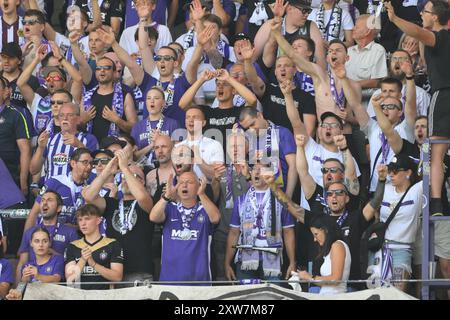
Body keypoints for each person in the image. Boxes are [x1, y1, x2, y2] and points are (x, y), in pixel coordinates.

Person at [385, 0, 450, 216]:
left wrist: (394, 19)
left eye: (425, 11)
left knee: (436, 154)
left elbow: (418, 32)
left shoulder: (440, 36)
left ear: (436, 17)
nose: (421, 13)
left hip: (444, 95)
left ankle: (437, 204)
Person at [82, 149, 154, 284]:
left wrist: (125, 168)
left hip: (139, 272)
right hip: (112, 271)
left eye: (135, 176)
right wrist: (107, 171)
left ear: (143, 182)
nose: (127, 179)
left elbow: (142, 196)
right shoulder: (112, 203)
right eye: (124, 177)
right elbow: (88, 196)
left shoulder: (148, 202)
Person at [224, 162, 296, 282]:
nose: (256, 172)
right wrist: (227, 263)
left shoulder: (281, 199)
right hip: (246, 261)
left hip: (273, 260)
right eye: (254, 169)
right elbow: (234, 232)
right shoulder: (241, 200)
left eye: (261, 170)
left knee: (272, 298)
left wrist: (292, 261)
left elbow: (288, 231)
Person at [363, 155, 423, 292]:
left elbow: (430, 174)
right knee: (375, 292)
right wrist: (382, 179)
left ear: (408, 173)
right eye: (390, 170)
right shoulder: (386, 188)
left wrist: (425, 150)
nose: (392, 174)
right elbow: (374, 203)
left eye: (396, 171)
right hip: (378, 248)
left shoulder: (417, 190)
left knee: (397, 293)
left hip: (401, 249)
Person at [150, 171, 220, 283]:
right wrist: (166, 197)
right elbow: (153, 217)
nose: (184, 185)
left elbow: (216, 218)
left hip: (199, 281)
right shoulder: (169, 208)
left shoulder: (204, 209)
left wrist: (201, 194)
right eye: (180, 182)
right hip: (169, 281)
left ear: (199, 186)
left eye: (189, 182)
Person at [16, 190, 79, 286]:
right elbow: (22, 263)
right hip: (32, 286)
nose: (44, 203)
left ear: (59, 208)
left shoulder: (70, 232)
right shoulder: (29, 232)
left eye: (49, 200)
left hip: (60, 286)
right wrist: (18, 289)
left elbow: (77, 262)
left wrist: (53, 253)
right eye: (43, 200)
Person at [24, 148, 94, 230]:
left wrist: (74, 228)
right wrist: (25, 241)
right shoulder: (54, 182)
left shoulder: (91, 188)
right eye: (85, 162)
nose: (89, 167)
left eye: (91, 163)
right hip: (49, 237)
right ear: (73, 163)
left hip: (78, 238)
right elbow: (34, 213)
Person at [30, 102, 98, 182]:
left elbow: (93, 168)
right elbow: (33, 170)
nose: (65, 118)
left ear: (78, 119)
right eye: (61, 115)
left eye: (70, 115)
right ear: (58, 119)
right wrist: (40, 148)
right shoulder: (49, 139)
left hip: (76, 190)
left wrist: (79, 145)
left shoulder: (89, 139)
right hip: (50, 190)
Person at [238, 107, 297, 198]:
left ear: (260, 115)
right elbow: (254, 174)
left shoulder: (282, 133)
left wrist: (288, 197)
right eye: (247, 128)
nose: (251, 129)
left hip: (282, 193)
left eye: (252, 124)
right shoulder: (249, 139)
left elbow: (293, 166)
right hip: (260, 198)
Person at [65, 204, 124, 290]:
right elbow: (70, 280)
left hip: (105, 296)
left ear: (98, 220)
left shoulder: (112, 244)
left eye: (87, 219)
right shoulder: (73, 246)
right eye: (80, 220)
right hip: (79, 296)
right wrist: (83, 260)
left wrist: (93, 264)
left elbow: (117, 277)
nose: (83, 223)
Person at [81, 53, 137, 143]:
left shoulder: (125, 96)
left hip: (115, 150)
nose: (102, 71)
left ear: (114, 72)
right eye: (98, 68)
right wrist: (82, 120)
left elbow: (134, 128)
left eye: (106, 68)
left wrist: (117, 120)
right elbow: (77, 128)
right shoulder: (87, 97)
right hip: (91, 148)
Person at [254, 0, 326, 69]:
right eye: (304, 11)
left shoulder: (311, 27)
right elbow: (267, 62)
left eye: (309, 11)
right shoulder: (270, 25)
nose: (307, 14)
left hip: (302, 78)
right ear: (289, 8)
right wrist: (276, 22)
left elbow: (321, 61)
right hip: (276, 79)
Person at [298, 214, 351, 295]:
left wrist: (309, 277)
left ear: (325, 230)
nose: (315, 239)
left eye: (316, 234)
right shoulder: (333, 247)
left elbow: (335, 280)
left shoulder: (337, 245)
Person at [131, 86, 180, 166]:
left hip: (168, 166)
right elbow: (133, 157)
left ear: (163, 103)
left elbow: (179, 152)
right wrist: (152, 145)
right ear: (145, 102)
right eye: (149, 98)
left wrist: (162, 140)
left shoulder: (173, 124)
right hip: (142, 168)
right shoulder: (137, 127)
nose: (152, 101)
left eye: (156, 98)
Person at [0, 77, 31, 197]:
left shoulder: (15, 115)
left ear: (5, 92)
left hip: (9, 176)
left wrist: (23, 181)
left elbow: (25, 150)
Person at [345, 14, 388, 97]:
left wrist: (348, 86)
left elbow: (375, 82)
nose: (353, 29)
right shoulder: (349, 51)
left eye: (356, 27)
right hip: (345, 97)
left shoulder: (378, 50)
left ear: (367, 31)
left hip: (366, 100)